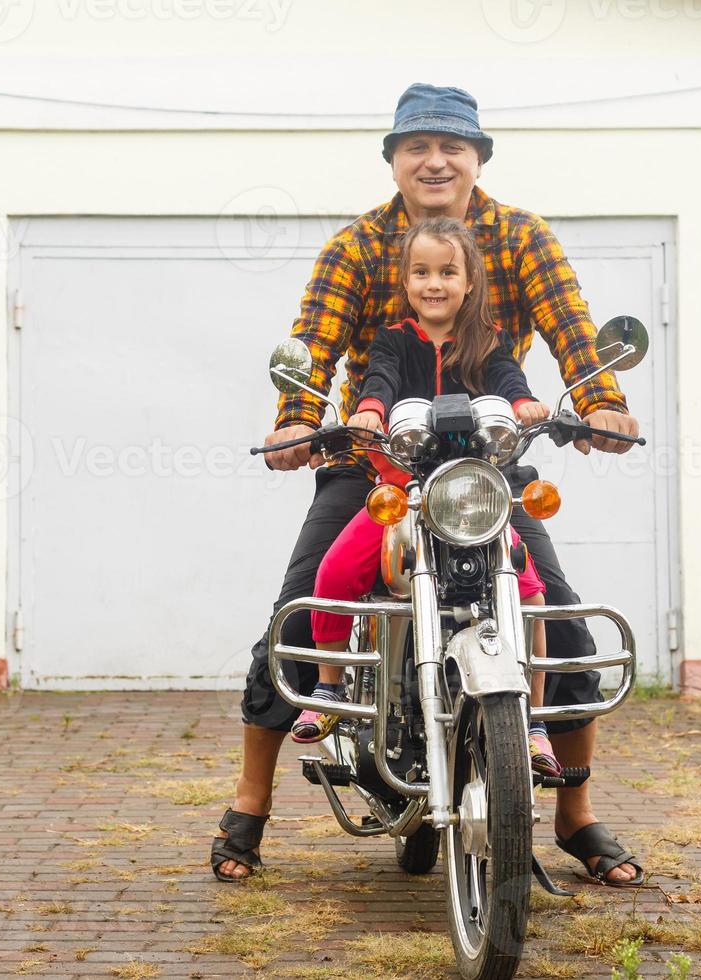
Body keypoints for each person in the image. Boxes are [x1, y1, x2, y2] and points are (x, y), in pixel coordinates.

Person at [210, 83, 645, 889]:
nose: (436, 160)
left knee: (558, 613)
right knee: (301, 607)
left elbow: (570, 330)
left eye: (453, 146)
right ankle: (250, 803)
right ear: (394, 160)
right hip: (371, 466)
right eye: (417, 146)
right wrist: (296, 422)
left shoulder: (522, 238)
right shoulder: (357, 246)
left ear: (478, 158)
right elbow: (316, 340)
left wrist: (601, 405)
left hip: (484, 470)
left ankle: (575, 815)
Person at [287, 215, 564, 780]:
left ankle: (533, 725)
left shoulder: (487, 342)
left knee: (532, 592)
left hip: (473, 498)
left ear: (469, 281)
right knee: (335, 570)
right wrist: (369, 409)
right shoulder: (393, 340)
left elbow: (510, 379)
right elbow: (378, 380)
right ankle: (328, 685)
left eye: (446, 272)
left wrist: (526, 403)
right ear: (406, 282)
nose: (433, 283)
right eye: (420, 272)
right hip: (404, 491)